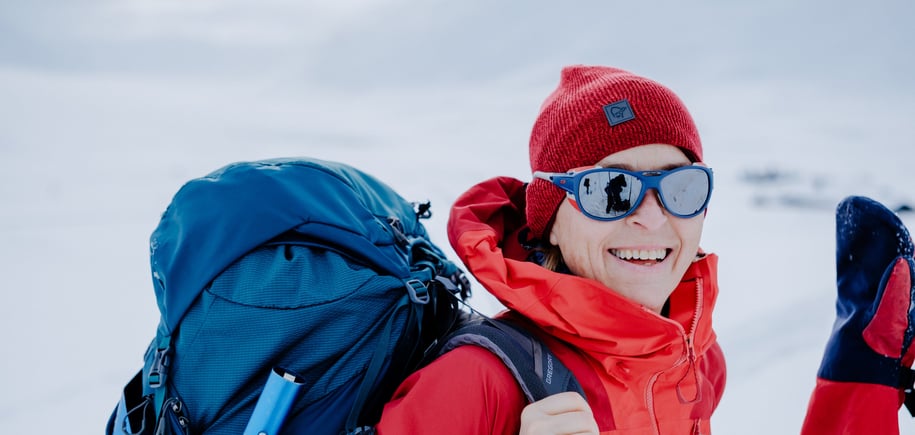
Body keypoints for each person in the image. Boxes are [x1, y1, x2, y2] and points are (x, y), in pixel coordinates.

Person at [374, 65, 915, 434]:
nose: (652, 216)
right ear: (551, 223)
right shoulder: (481, 379)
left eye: (681, 188)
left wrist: (861, 378)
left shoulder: (695, 364)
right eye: (610, 190)